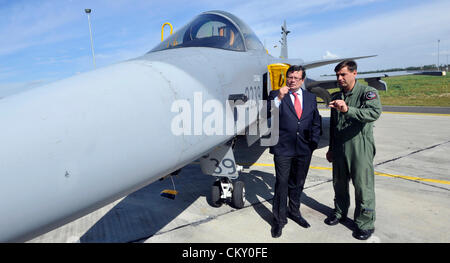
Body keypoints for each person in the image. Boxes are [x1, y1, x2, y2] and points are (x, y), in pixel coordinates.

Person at [325, 60, 382, 240]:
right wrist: (331, 148)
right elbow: (334, 125)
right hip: (340, 146)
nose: (340, 78)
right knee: (339, 183)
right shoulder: (336, 95)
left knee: (363, 186)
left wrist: (348, 109)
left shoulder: (367, 93)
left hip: (360, 146)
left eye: (343, 74)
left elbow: (374, 113)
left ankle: (364, 223)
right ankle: (340, 212)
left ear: (354, 73)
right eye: (337, 75)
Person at [268, 65, 322, 238]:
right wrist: (280, 97)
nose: (292, 80)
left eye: (296, 78)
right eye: (290, 77)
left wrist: (313, 142)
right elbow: (266, 114)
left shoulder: (310, 98)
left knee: (298, 183)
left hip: (304, 148)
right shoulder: (276, 95)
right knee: (281, 184)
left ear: (302, 80)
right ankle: (279, 221)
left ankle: (295, 212)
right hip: (283, 148)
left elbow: (316, 121)